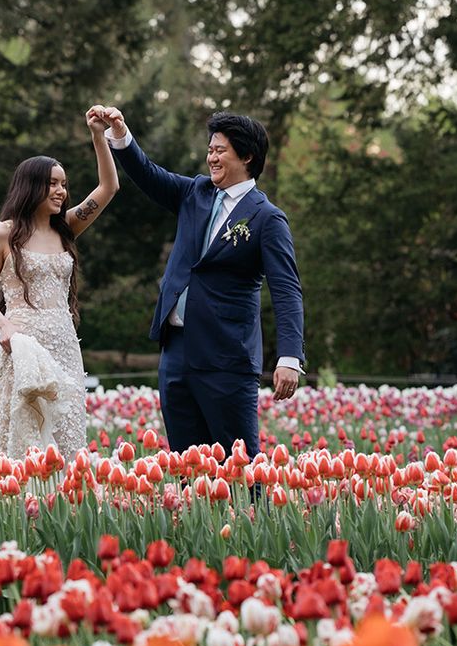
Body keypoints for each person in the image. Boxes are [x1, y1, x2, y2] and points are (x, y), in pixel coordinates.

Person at [96, 105, 304, 456]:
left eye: (220, 150)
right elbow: (148, 175)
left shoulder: (267, 219)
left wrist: (289, 357)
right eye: (210, 150)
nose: (212, 158)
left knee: (240, 470)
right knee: (187, 466)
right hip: (176, 351)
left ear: (247, 156)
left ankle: (251, 515)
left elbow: (286, 291)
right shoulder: (196, 193)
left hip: (226, 357)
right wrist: (120, 133)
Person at [0, 112, 119, 458]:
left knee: (68, 439)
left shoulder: (67, 228)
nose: (61, 191)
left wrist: (99, 136)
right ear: (31, 186)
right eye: (52, 183)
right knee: (25, 440)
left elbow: (109, 188)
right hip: (24, 347)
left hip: (66, 345)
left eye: (63, 184)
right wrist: (5, 324)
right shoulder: (2, 234)